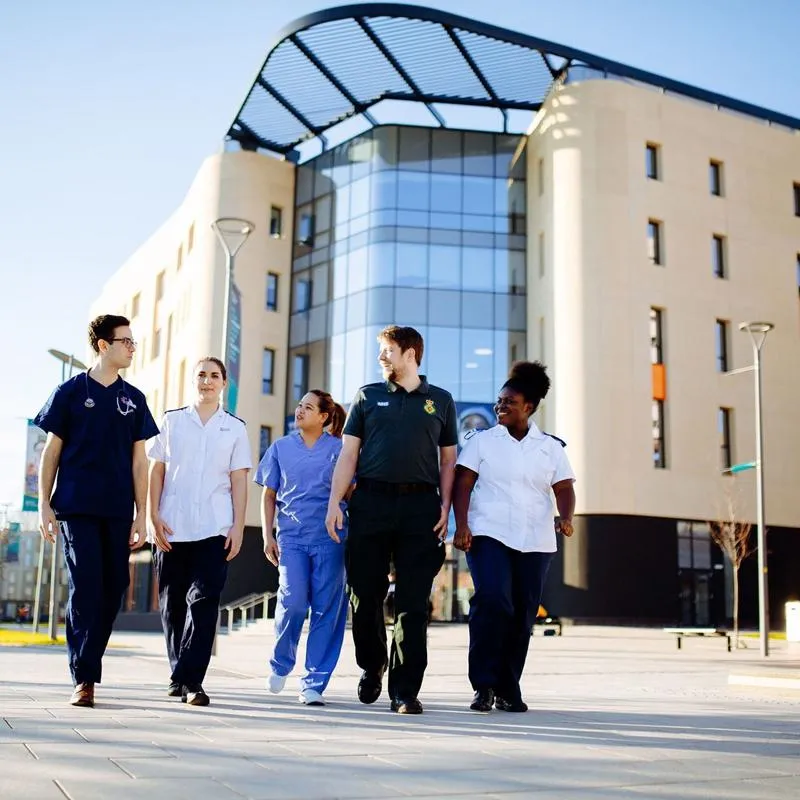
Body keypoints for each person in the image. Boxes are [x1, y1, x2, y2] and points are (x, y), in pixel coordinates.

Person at [326, 325, 458, 715]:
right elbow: (349, 454)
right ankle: (373, 665)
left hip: (421, 509)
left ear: (410, 354)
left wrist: (446, 508)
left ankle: (405, 690)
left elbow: (448, 460)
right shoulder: (367, 396)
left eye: (387, 350)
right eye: (381, 351)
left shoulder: (441, 401)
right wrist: (335, 501)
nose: (381, 357)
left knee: (413, 604)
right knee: (364, 597)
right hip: (370, 503)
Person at [34, 314, 158, 707]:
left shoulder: (134, 399)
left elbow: (141, 462)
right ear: (104, 345)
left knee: (114, 586)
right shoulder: (69, 392)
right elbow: (51, 454)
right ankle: (84, 677)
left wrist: (142, 514)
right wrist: (44, 506)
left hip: (118, 509)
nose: (132, 348)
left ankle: (89, 662)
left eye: (133, 342)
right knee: (86, 586)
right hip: (76, 506)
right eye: (126, 341)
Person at [453, 361, 576, 713]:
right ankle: (484, 686)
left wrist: (565, 516)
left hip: (535, 538)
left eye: (508, 402)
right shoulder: (483, 442)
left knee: (522, 613)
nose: (499, 407)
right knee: (494, 601)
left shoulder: (550, 447)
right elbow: (464, 483)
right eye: (498, 401)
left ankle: (508, 687)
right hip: (489, 531)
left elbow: (564, 487)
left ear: (529, 407)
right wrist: (461, 524)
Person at [147, 357, 252, 706]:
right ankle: (180, 673)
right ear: (192, 380)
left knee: (203, 602)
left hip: (214, 528)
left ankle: (193, 681)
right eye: (201, 375)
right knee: (173, 605)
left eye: (214, 376)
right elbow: (156, 471)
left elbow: (239, 480)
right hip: (171, 526)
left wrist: (238, 526)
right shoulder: (171, 421)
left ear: (224, 383)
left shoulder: (235, 428)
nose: (207, 381)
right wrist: (151, 516)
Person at [256, 390, 348, 706]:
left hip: (331, 538)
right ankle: (281, 663)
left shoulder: (341, 450)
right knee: (293, 602)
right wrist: (267, 536)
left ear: (324, 417)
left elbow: (352, 489)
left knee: (326, 610)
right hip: (291, 538)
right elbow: (268, 495)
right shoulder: (281, 448)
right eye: (299, 405)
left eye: (308, 407)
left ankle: (313, 684)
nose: (300, 410)